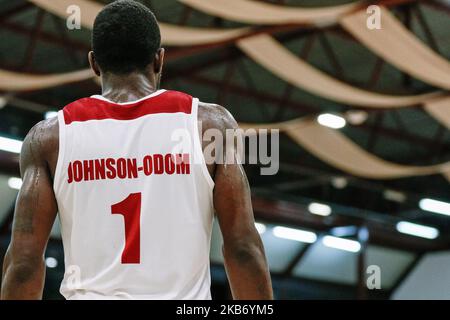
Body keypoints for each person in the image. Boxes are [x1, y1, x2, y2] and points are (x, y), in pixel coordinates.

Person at [1, 0, 272, 300]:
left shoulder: (50, 138)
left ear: (94, 63)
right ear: (159, 60)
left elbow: (23, 263)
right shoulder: (209, 125)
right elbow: (243, 248)